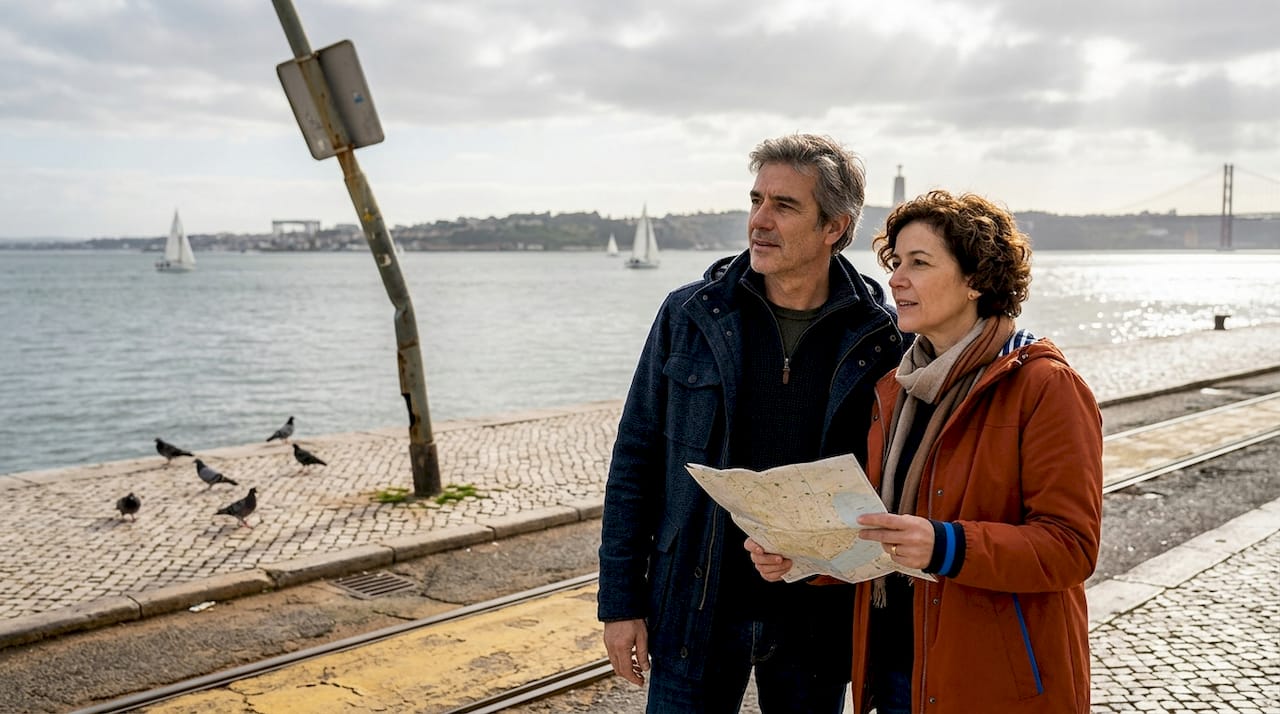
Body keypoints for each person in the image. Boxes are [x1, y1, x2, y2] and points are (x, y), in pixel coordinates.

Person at [748, 190, 1104, 713]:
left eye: (919, 263)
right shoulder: (897, 387)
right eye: (895, 262)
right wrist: (801, 555)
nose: (896, 279)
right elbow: (881, 536)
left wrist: (947, 545)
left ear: (976, 280)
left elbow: (1071, 548)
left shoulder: (1046, 387)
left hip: (990, 680)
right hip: (897, 671)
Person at [597, 133, 907, 713]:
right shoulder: (688, 315)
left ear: (834, 227)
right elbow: (634, 460)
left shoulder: (881, 337)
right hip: (693, 607)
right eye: (757, 199)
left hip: (816, 620)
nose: (760, 220)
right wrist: (620, 603)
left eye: (784, 206)